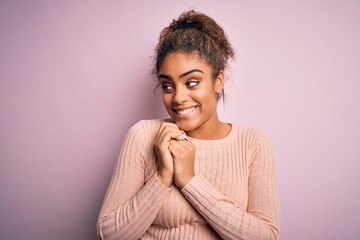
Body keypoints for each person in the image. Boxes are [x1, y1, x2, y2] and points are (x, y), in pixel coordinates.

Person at [96, 10, 280, 240]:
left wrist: (190, 181)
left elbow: (266, 237)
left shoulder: (253, 144)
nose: (178, 98)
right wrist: (163, 177)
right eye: (167, 86)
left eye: (192, 82)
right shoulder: (143, 135)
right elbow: (108, 235)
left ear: (218, 81)